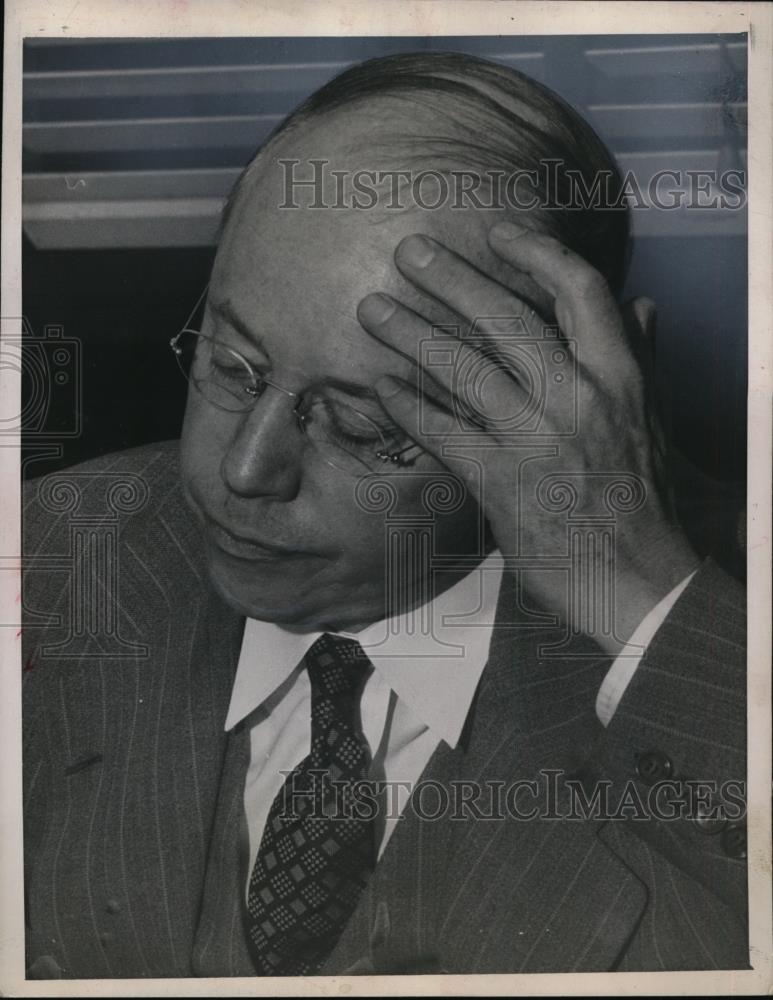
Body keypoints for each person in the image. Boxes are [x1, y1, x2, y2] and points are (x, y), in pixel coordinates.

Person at [22, 52, 747, 978]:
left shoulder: (720, 636)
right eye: (230, 364)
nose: (246, 470)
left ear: (584, 401)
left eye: (366, 427)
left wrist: (634, 587)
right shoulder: (45, 554)